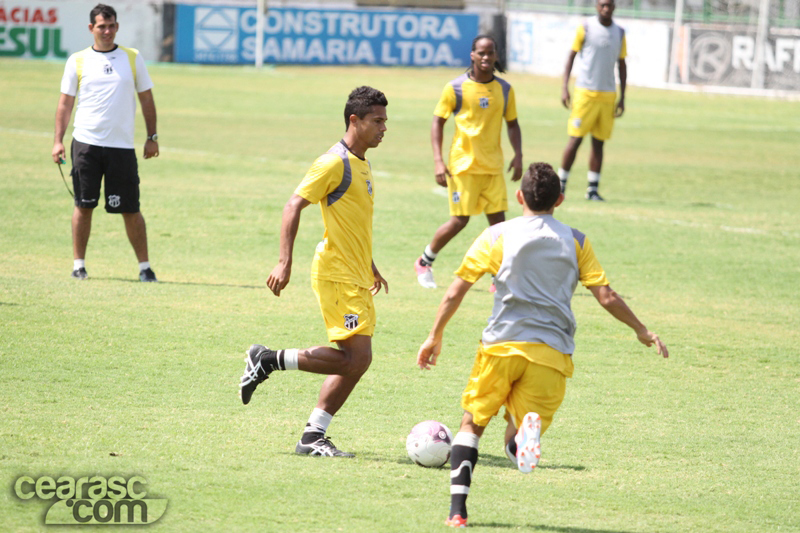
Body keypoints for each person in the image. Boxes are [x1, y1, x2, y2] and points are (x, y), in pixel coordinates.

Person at [416, 162, 667, 527]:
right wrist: (641, 330)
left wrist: (434, 335)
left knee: (472, 424)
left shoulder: (496, 235)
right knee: (514, 440)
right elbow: (607, 296)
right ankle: (520, 439)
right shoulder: (576, 240)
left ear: (519, 196)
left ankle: (457, 512)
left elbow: (456, 291)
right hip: (552, 353)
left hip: (501, 346)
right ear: (559, 200)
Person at [239, 86, 389, 458]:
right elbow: (293, 205)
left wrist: (370, 264)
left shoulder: (362, 163)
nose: (384, 128)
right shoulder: (333, 162)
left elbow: (353, 222)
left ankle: (312, 436)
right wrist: (283, 261)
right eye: (377, 121)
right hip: (337, 275)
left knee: (358, 361)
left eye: (385, 121)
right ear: (354, 120)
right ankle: (267, 360)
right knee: (356, 359)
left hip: (356, 274)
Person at [52, 3, 159, 282]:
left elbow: (146, 98)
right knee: (83, 205)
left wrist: (152, 137)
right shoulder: (77, 60)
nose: (107, 31)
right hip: (86, 144)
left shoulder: (132, 58)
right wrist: (58, 141)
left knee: (130, 209)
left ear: (117, 26)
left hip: (121, 147)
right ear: (92, 28)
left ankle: (145, 268)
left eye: (111, 26)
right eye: (102, 26)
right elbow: (65, 104)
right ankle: (78, 265)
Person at [414, 34, 523, 289]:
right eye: (481, 53)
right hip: (463, 166)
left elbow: (513, 123)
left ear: (496, 56)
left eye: (490, 52)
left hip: (493, 167)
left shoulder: (505, 89)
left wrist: (518, 155)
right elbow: (437, 122)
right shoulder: (456, 88)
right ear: (472, 55)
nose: (486, 57)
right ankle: (424, 261)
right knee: (459, 221)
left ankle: (498, 276)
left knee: (499, 225)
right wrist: (438, 160)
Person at [558, 0, 627, 201]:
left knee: (599, 143)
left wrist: (623, 97)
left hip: (608, 95)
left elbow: (622, 64)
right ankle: (561, 185)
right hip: (585, 93)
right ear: (596, 6)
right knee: (575, 139)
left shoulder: (619, 32)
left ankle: (592, 189)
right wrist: (565, 87)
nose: (606, 8)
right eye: (602, 5)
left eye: (609, 5)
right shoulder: (586, 27)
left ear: (614, 7)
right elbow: (571, 57)